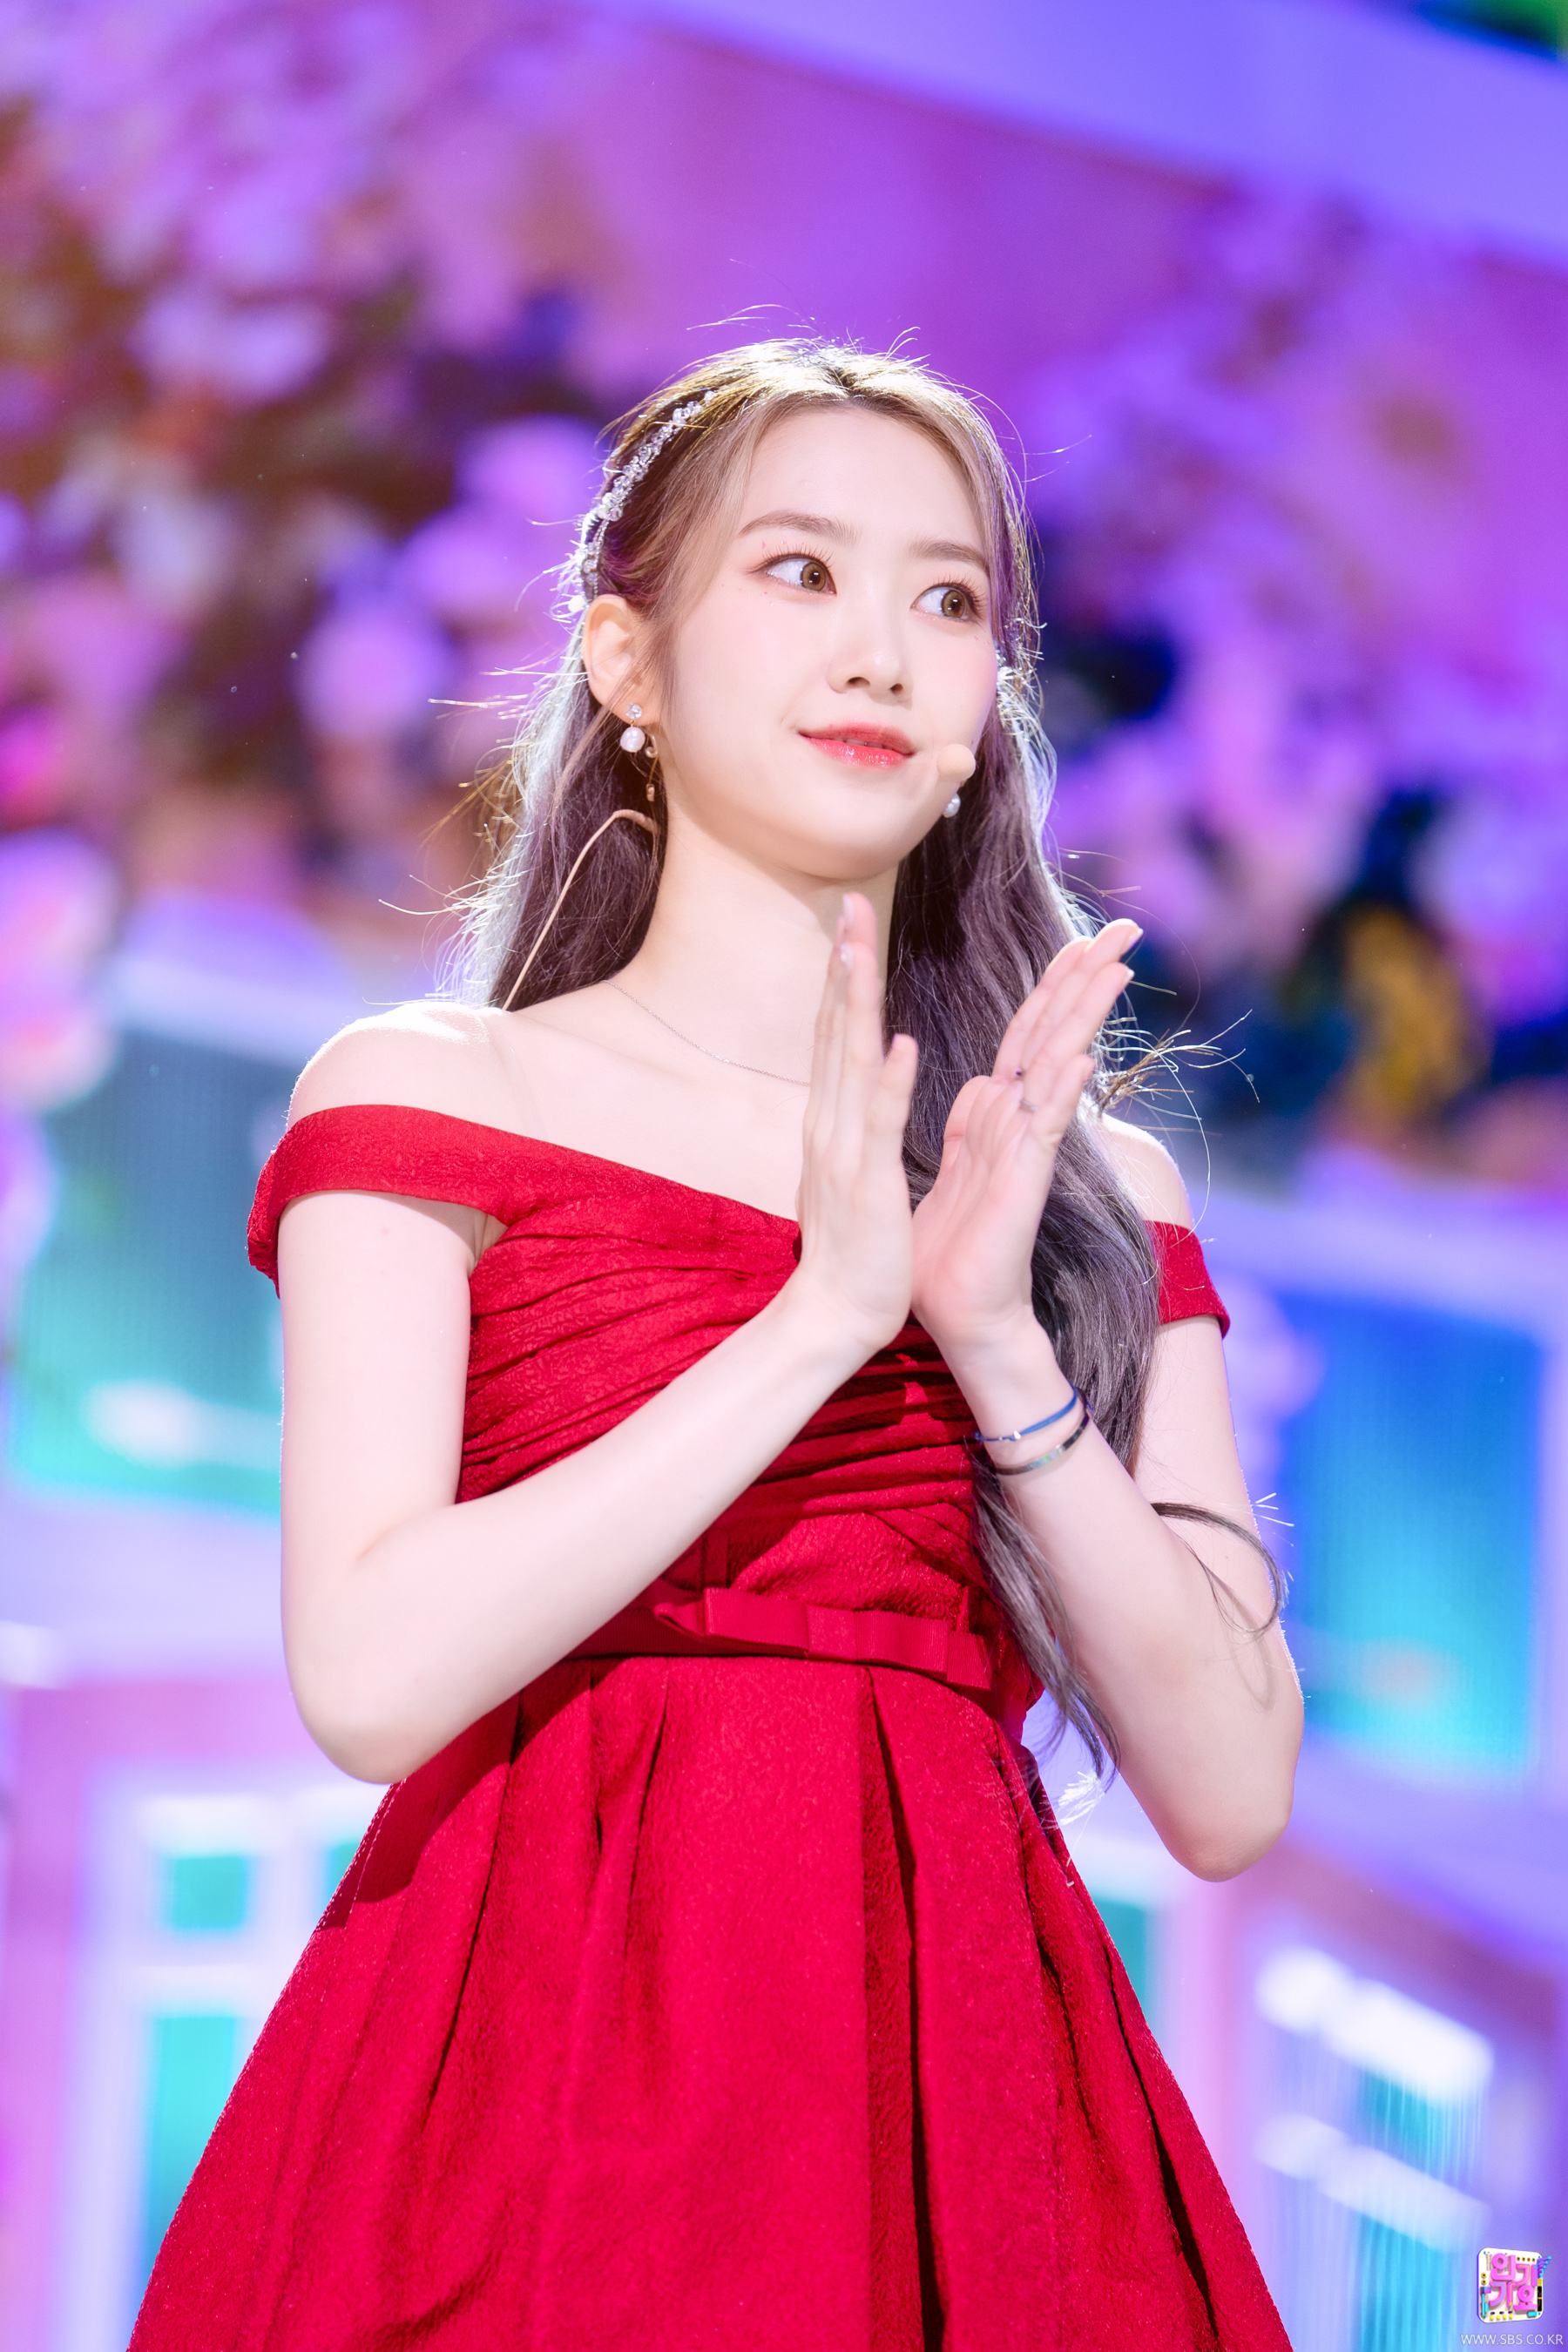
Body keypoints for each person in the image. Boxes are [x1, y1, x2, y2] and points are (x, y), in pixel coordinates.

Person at [132, 341, 1300, 2349]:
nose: (881, 652)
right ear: (627, 659)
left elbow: (1229, 1790)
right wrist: (821, 1323)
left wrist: (994, 1343)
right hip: (524, 2061)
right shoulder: (437, 1092)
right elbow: (373, 1674)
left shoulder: (1089, 1187)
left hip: (958, 2080)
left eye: (949, 600)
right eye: (800, 571)